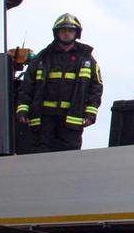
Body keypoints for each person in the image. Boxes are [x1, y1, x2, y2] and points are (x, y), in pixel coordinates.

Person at [15, 13, 102, 152]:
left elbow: (96, 88)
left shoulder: (86, 59)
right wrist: (23, 110)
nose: (67, 34)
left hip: (72, 118)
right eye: (63, 30)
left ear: (76, 33)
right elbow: (27, 86)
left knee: (69, 158)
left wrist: (90, 113)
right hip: (44, 119)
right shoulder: (43, 57)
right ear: (57, 33)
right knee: (41, 155)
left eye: (70, 30)